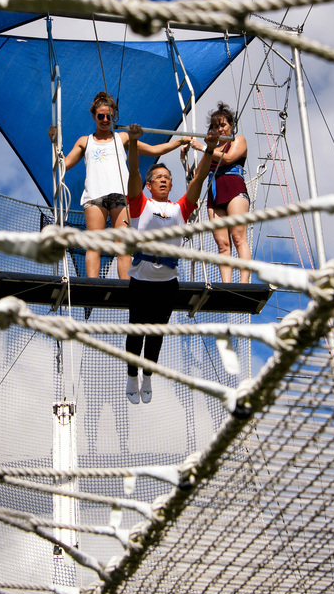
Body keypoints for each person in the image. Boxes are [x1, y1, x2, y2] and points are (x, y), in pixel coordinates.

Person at [48, 91, 190, 279]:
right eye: (101, 116)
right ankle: (92, 285)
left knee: (122, 245)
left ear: (114, 116)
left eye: (109, 116)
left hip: (120, 194)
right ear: (94, 117)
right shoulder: (85, 141)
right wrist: (55, 143)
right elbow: (63, 165)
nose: (105, 119)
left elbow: (154, 149)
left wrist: (180, 140)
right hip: (95, 196)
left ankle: (125, 287)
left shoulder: (122, 138)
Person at [125, 122, 219, 404]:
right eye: (158, 177)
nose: (164, 180)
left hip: (167, 281)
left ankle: (148, 375)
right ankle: (132, 375)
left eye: (168, 177)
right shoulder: (140, 205)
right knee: (136, 328)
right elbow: (133, 172)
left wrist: (210, 149)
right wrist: (132, 143)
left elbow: (198, 181)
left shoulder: (179, 209)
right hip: (141, 277)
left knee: (157, 331)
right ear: (150, 184)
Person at [182, 101, 252, 284]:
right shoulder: (210, 151)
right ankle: (226, 284)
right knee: (222, 244)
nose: (220, 129)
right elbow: (197, 175)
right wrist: (184, 159)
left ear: (231, 126)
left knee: (238, 237)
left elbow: (228, 158)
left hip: (234, 190)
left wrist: (204, 147)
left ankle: (244, 283)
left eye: (223, 125)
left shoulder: (238, 141)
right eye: (216, 126)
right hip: (215, 196)